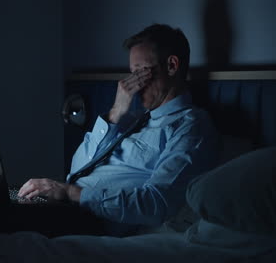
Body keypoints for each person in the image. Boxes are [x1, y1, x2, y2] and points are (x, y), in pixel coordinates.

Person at [18, 24, 218, 236]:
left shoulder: (191, 127)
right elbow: (77, 168)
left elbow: (156, 203)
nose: (133, 85)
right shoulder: (131, 121)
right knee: (4, 195)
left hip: (89, 218)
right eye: (131, 74)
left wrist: (70, 193)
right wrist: (115, 112)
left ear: (171, 65)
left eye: (140, 72)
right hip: (65, 203)